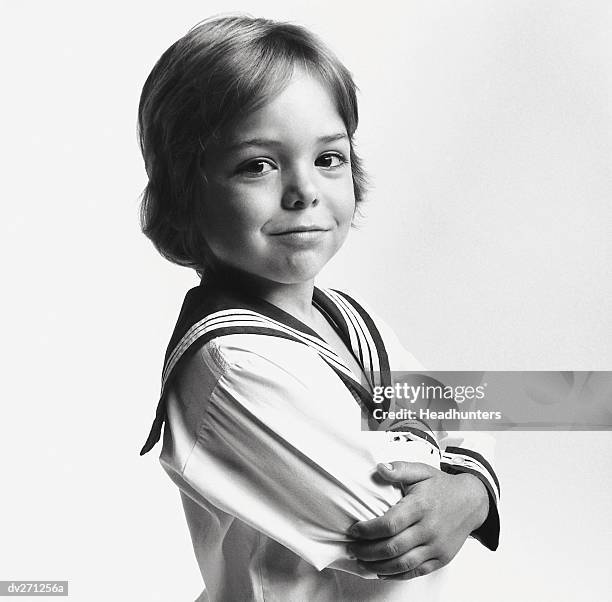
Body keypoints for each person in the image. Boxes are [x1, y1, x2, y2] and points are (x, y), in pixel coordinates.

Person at [138, 15, 500, 601]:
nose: (304, 189)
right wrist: (461, 475)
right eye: (257, 164)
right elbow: (388, 526)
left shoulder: (344, 317)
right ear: (185, 196)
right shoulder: (231, 365)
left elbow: (470, 409)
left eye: (328, 158)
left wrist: (472, 490)